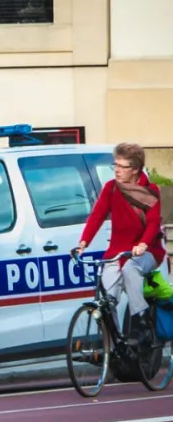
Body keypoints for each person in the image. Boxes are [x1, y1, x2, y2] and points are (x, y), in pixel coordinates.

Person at [75, 143, 164, 347]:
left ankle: (141, 321)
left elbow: (153, 223)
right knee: (107, 300)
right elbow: (97, 216)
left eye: (122, 166)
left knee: (131, 269)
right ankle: (114, 347)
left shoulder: (150, 191)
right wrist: (83, 243)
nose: (116, 170)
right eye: (115, 165)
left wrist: (142, 244)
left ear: (135, 169)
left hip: (148, 250)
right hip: (117, 251)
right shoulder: (111, 188)